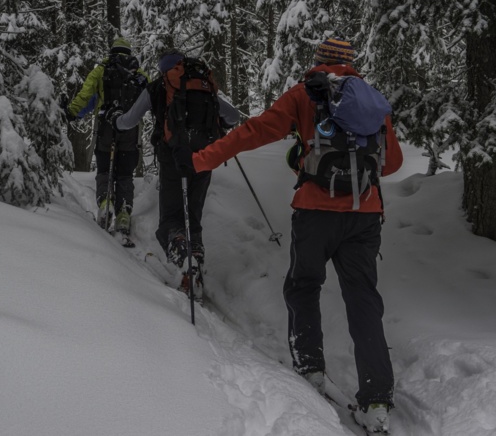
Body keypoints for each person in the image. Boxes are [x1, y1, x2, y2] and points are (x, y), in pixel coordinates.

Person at [173, 37, 403, 433]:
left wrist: (200, 159)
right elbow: (393, 162)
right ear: (350, 63)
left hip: (314, 212)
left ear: (319, 62)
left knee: (303, 285)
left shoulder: (302, 94)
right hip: (364, 214)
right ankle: (377, 398)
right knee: (363, 298)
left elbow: (254, 132)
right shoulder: (371, 101)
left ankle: (310, 365)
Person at [111, 49, 239, 278]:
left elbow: (130, 120)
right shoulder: (201, 85)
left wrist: (116, 122)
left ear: (163, 70)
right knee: (194, 214)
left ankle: (182, 260)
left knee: (172, 215)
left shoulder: (160, 87)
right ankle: (196, 259)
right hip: (205, 155)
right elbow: (233, 116)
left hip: (173, 157)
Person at [65, 37, 149, 236]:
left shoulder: (101, 70)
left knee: (104, 169)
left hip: (105, 127)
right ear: (128, 53)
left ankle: (105, 202)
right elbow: (151, 97)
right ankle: (124, 213)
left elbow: (86, 95)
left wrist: (72, 112)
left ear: (112, 51)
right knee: (125, 174)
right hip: (131, 129)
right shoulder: (139, 73)